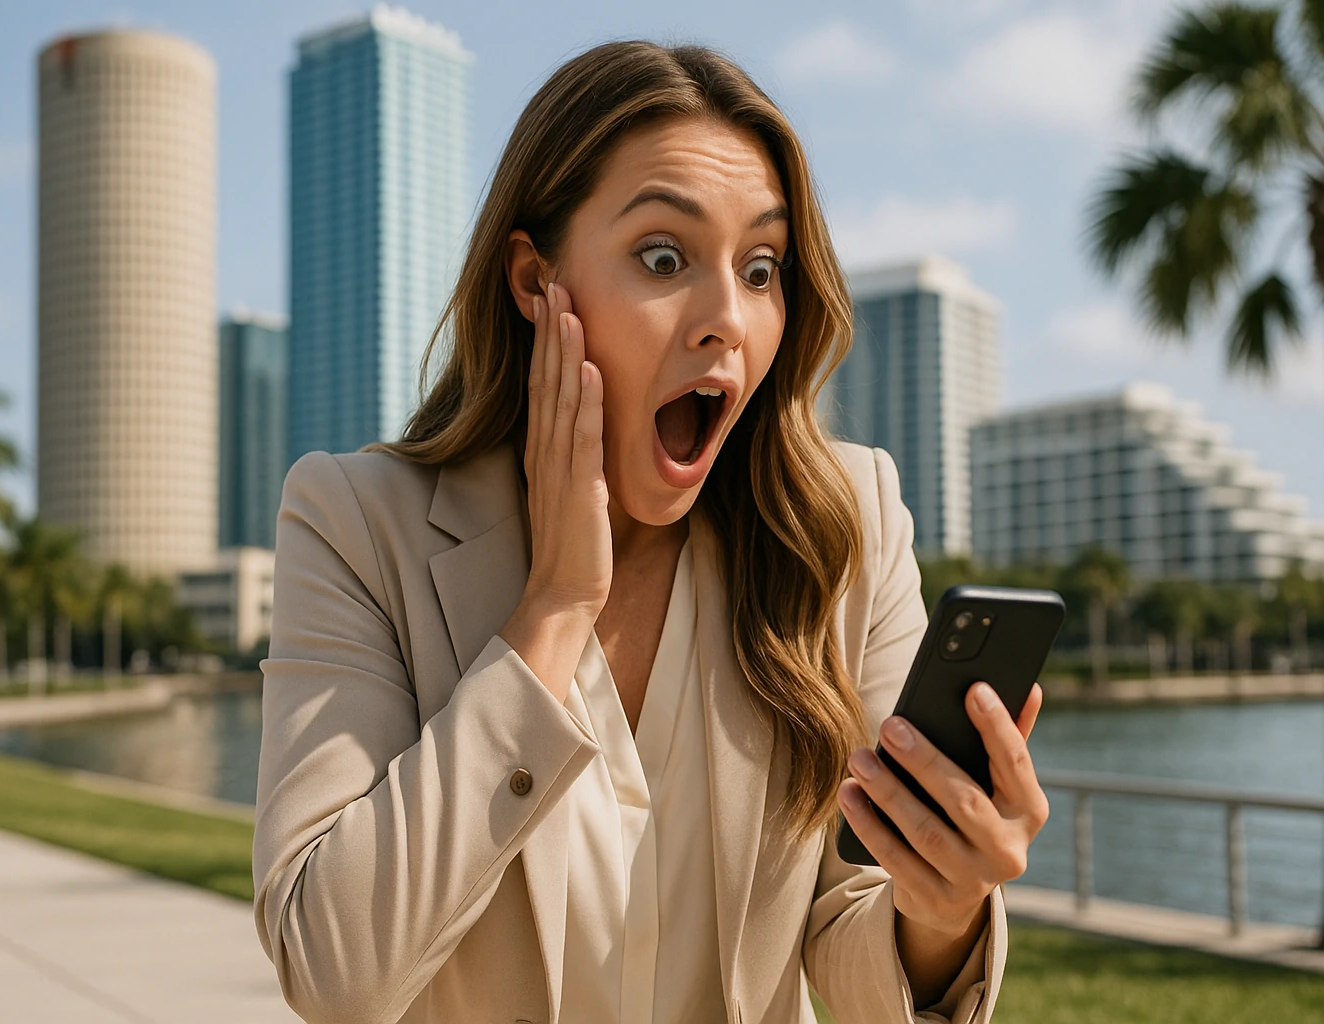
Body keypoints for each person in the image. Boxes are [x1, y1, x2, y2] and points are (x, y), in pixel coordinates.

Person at [252, 40, 1048, 1024]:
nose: (728, 318)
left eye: (761, 268)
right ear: (535, 281)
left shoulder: (847, 528)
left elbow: (855, 945)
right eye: (664, 257)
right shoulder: (354, 523)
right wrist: (550, 614)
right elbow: (333, 973)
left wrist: (944, 906)